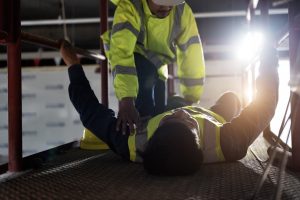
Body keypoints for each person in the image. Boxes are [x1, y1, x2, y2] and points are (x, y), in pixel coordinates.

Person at [60, 39, 279, 176]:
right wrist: (269, 54)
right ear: (199, 148)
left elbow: (90, 113)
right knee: (231, 97)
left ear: (151, 138)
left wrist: (73, 64)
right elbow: (267, 102)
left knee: (172, 102)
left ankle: (161, 99)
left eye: (170, 121)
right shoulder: (231, 142)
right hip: (212, 118)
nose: (182, 114)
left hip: (157, 115)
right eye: (187, 123)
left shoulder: (132, 144)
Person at [101, 0, 206, 134]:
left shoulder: (182, 11)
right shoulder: (131, 6)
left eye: (171, 2)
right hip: (133, 58)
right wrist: (126, 100)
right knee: (145, 92)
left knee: (159, 114)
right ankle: (135, 136)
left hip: (158, 65)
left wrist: (190, 97)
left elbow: (192, 52)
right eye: (161, 1)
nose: (167, 7)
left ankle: (151, 141)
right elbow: (122, 52)